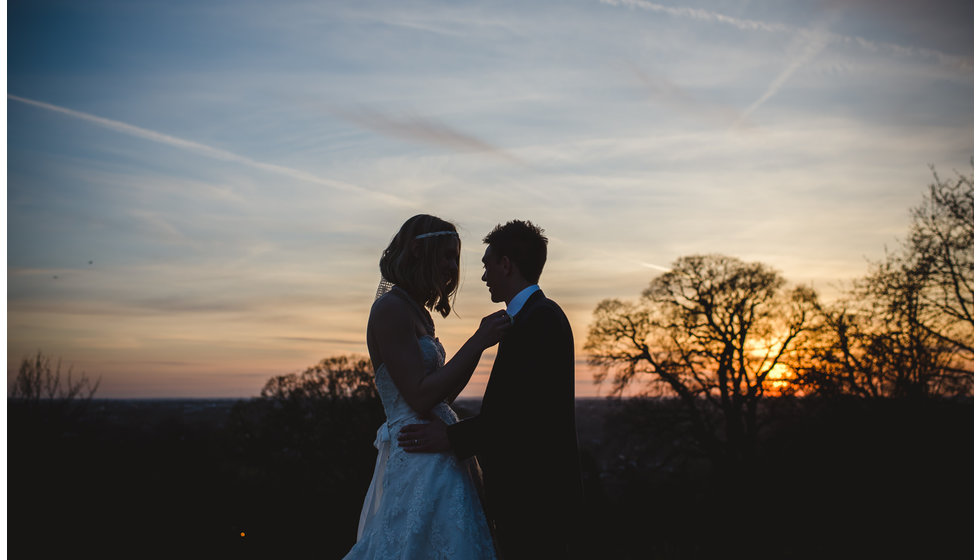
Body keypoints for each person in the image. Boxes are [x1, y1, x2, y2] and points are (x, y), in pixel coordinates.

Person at [398, 220, 584, 559]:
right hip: (530, 500)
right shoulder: (526, 319)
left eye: (486, 265)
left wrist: (451, 438)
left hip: (538, 501)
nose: (482, 276)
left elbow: (523, 416)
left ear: (506, 265)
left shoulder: (540, 319)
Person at [344, 214, 510, 560]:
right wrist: (477, 341)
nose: (453, 266)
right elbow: (419, 397)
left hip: (438, 446)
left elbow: (442, 395)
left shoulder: (418, 312)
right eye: (447, 255)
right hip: (417, 452)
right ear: (419, 251)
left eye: (455, 257)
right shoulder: (390, 309)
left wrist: (477, 350)